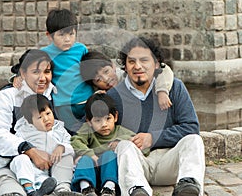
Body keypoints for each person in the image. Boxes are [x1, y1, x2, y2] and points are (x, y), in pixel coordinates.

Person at [106, 37, 205, 196]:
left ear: (157, 64)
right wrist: (111, 141)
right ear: (125, 66)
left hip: (170, 162)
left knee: (194, 140)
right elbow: (94, 129)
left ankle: (188, 186)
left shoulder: (174, 87)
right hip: (138, 164)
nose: (137, 66)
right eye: (131, 62)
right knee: (124, 146)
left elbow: (191, 127)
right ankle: (137, 190)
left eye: (144, 60)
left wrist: (153, 138)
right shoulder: (114, 96)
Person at [0, 49, 58, 196]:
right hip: (10, 160)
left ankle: (62, 190)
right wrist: (28, 150)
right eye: (36, 72)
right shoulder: (6, 97)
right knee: (6, 180)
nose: (42, 78)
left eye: (47, 72)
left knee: (61, 173)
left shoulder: (54, 96)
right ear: (23, 73)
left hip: (46, 161)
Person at [0, 94, 78, 196]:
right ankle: (30, 190)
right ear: (30, 121)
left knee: (66, 157)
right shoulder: (25, 132)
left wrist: (62, 147)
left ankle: (61, 190)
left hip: (49, 170)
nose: (46, 119)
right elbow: (12, 149)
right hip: (29, 169)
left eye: (48, 113)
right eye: (40, 117)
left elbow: (72, 144)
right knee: (21, 158)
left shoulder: (59, 130)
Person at [40, 8, 94, 134]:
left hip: (86, 99)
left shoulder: (81, 49)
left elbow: (91, 71)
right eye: (61, 35)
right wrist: (17, 78)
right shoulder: (44, 53)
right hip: (62, 104)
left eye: (71, 34)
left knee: (91, 132)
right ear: (49, 35)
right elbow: (30, 69)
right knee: (71, 134)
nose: (67, 39)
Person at [70, 93, 136, 196]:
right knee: (84, 159)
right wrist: (91, 155)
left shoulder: (121, 132)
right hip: (92, 171)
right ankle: (86, 189)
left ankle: (109, 189)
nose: (104, 124)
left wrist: (120, 142)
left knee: (109, 155)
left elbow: (138, 146)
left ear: (115, 117)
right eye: (98, 120)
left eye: (108, 118)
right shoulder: (87, 129)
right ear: (89, 121)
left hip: (112, 174)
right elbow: (75, 141)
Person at [80, 51, 174, 110]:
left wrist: (162, 91)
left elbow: (163, 69)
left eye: (106, 71)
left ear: (113, 66)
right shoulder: (104, 94)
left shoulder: (128, 74)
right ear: (94, 84)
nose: (106, 79)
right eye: (98, 79)